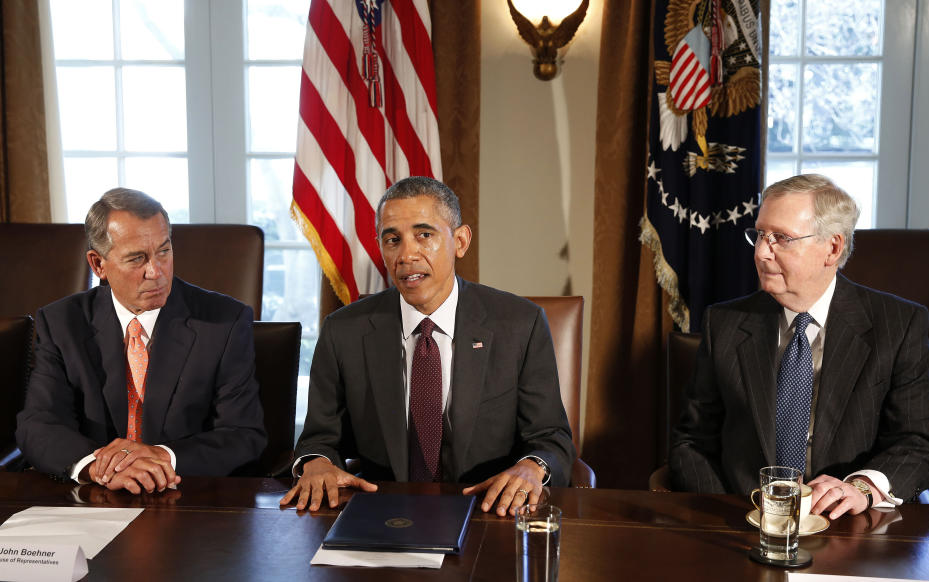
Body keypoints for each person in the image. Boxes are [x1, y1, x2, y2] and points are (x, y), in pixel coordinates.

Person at [280, 176, 575, 516]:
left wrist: (532, 467)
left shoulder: (520, 325)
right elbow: (318, 438)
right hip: (381, 511)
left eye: (424, 235)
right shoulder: (343, 331)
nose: (406, 254)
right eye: (392, 240)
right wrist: (315, 462)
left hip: (488, 510)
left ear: (460, 241)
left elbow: (551, 437)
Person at [670, 174, 929, 518]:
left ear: (832, 247)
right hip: (741, 520)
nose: (760, 252)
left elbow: (920, 445)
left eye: (781, 239)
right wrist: (726, 512)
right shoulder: (723, 323)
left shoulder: (898, 325)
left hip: (848, 524)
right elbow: (692, 442)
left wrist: (862, 489)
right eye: (759, 235)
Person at [16, 188, 266, 493]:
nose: (156, 271)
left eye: (164, 250)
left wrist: (162, 457)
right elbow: (39, 424)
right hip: (97, 496)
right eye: (137, 259)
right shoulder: (62, 322)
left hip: (185, 496)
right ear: (98, 265)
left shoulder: (224, 322)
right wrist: (99, 467)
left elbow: (242, 433)